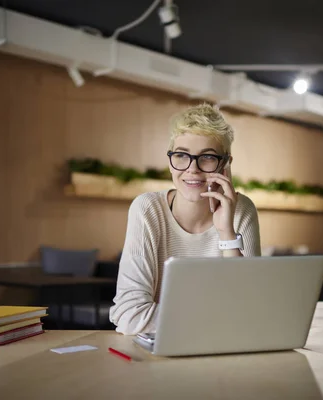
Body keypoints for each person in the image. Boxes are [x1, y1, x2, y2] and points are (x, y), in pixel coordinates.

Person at [109, 103, 262, 335]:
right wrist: (220, 319)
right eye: (181, 155)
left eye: (207, 157)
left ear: (225, 163)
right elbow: (130, 315)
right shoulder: (147, 208)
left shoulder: (241, 210)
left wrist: (226, 233)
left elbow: (253, 311)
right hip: (158, 352)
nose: (192, 169)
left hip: (224, 354)